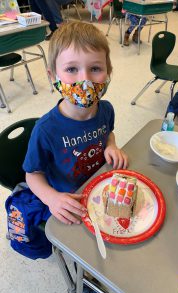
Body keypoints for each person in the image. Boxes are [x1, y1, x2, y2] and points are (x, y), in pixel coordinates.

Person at [23, 20, 128, 225]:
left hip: (99, 188)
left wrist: (111, 145)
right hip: (70, 202)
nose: (85, 80)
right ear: (53, 75)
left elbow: (109, 133)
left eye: (95, 68)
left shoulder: (106, 110)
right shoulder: (45, 130)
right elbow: (32, 174)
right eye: (71, 69)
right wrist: (51, 198)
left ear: (108, 73)